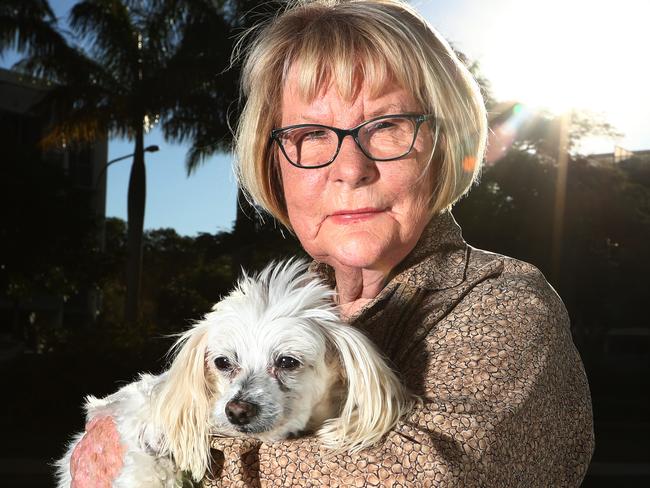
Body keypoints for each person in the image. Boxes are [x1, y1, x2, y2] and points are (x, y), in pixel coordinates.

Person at [70, 0, 595, 486]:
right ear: (274, 165)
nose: (349, 169)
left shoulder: (506, 306)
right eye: (312, 135)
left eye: (388, 125)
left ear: (446, 147)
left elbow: (428, 476)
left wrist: (158, 449)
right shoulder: (259, 311)